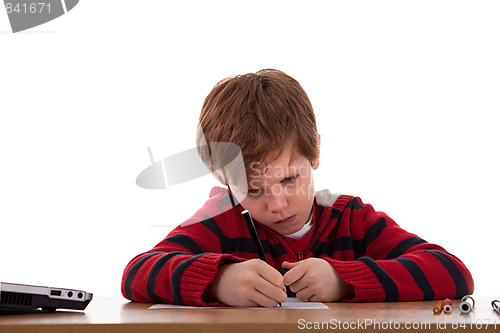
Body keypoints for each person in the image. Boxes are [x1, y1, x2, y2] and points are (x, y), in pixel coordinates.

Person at [121, 69, 474, 307]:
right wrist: (217, 281)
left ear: (314, 153)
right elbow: (136, 272)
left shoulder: (350, 219)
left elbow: (453, 273)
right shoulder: (222, 217)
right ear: (225, 181)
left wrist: (343, 280)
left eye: (289, 179)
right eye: (253, 190)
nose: (277, 205)